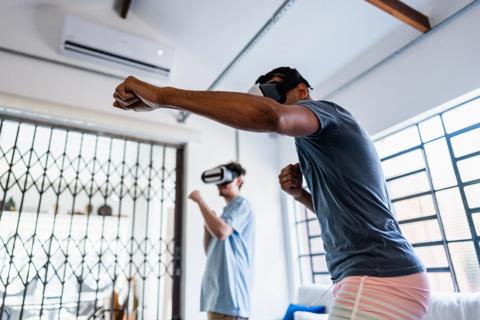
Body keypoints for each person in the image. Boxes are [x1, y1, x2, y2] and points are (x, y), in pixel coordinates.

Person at [113, 67, 430, 319]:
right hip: (373, 277)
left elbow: (269, 116)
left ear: (302, 90)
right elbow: (344, 214)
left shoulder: (329, 113)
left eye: (274, 93)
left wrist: (163, 95)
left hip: (379, 278)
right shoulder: (316, 146)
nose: (269, 102)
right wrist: (301, 195)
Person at [188, 162, 254, 320]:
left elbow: (221, 232)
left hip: (231, 302)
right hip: (216, 299)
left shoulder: (242, 205)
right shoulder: (226, 213)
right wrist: (207, 225)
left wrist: (199, 200)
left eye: (226, 180)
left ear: (238, 180)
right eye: (219, 181)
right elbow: (209, 251)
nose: (220, 184)